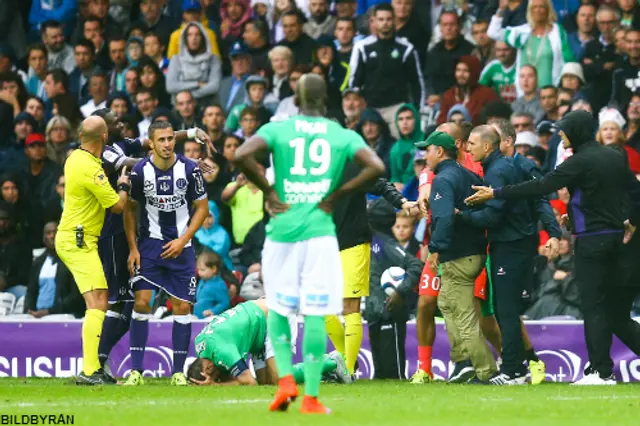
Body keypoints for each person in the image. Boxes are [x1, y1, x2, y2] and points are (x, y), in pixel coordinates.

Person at [233, 74, 385, 413]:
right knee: (317, 313)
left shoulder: (278, 129)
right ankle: (312, 397)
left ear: (297, 101)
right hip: (319, 232)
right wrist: (340, 192)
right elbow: (376, 166)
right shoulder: (341, 134)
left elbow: (242, 154)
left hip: (282, 230)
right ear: (325, 99)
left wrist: (269, 191)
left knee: (281, 308)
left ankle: (286, 382)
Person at [466, 111, 640, 385]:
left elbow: (542, 186)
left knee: (593, 306)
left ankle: (601, 371)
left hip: (592, 242)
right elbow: (632, 191)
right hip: (622, 242)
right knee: (617, 314)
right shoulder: (616, 156)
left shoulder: (578, 161)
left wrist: (496, 193)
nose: (560, 133)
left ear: (577, 132)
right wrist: (633, 220)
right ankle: (600, 369)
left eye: (564, 129)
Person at [123, 120, 209, 387]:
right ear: (151, 142)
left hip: (181, 249)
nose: (167, 144)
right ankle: (136, 371)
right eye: (161, 140)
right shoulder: (139, 172)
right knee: (142, 302)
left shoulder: (190, 169)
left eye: (171, 139)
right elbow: (130, 210)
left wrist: (183, 240)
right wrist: (133, 248)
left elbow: (202, 208)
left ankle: (178, 372)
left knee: (182, 306)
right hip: (150, 247)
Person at [459, 125, 539, 385]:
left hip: (511, 245)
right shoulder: (500, 167)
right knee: (506, 309)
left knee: (506, 309)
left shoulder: (496, 171)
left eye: (471, 143)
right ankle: (517, 368)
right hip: (515, 243)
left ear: (486, 146)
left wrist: (463, 217)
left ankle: (514, 371)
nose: (467, 147)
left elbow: (493, 216)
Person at [55, 115, 130, 385]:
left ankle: (92, 369)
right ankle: (90, 371)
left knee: (99, 298)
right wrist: (123, 185)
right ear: (104, 138)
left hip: (76, 238)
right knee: (98, 300)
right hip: (78, 240)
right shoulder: (90, 168)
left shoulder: (75, 158)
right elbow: (118, 206)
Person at [422, 130, 497, 384]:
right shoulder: (469, 174)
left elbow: (443, 217)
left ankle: (485, 371)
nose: (425, 156)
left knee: (463, 314)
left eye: (428, 150)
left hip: (457, 255)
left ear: (439, 152)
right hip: (474, 251)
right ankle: (463, 362)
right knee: (446, 304)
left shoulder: (443, 179)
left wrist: (435, 247)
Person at [187, 299, 351, 386]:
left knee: (280, 378)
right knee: (267, 383)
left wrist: (216, 386)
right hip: (257, 328)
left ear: (208, 368)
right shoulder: (201, 344)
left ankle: (332, 362)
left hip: (274, 316)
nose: (218, 378)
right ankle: (322, 372)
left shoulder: (221, 351)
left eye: (214, 378)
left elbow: (248, 382)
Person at [364, 198, 422, 379]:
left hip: (390, 312)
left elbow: (416, 266)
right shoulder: (371, 240)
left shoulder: (386, 245)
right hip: (374, 312)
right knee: (380, 374)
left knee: (393, 373)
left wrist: (400, 291)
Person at [348, 3, 424, 139]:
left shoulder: (406, 49)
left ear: (394, 20)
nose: (385, 23)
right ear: (374, 21)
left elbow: (416, 82)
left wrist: (417, 109)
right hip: (370, 108)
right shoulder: (361, 48)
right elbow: (354, 82)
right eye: (381, 19)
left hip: (397, 108)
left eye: (388, 19)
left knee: (402, 145)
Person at [488, 0, 574, 93]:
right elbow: (493, 32)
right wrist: (501, 9)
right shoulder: (522, 32)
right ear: (530, 10)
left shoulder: (557, 31)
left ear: (548, 9)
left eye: (542, 7)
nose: (538, 10)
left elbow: (568, 60)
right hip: (524, 93)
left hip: (550, 93)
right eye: (535, 7)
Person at [25, 221, 84, 318]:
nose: (52, 236)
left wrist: (49, 311)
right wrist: (28, 310)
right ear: (44, 238)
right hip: (37, 315)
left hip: (63, 315)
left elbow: (76, 296)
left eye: (55, 232)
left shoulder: (71, 261)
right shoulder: (38, 263)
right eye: (48, 233)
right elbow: (30, 291)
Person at [166, 22, 223, 106]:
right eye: (189, 35)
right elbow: (171, 86)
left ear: (203, 37)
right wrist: (197, 84)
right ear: (185, 38)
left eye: (197, 35)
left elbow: (214, 86)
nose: (194, 38)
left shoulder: (213, 59)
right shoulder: (176, 59)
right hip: (181, 108)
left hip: (207, 106)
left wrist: (189, 97)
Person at [437, 55, 499, 125]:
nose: (461, 74)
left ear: (474, 73)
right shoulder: (449, 95)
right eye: (458, 70)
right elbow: (441, 121)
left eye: (466, 71)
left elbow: (494, 121)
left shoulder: (487, 94)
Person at [193, 250, 230, 319]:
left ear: (214, 269)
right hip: (198, 317)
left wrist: (213, 311)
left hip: (212, 320)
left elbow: (224, 303)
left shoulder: (219, 285)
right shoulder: (202, 281)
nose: (199, 273)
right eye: (198, 270)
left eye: (203, 270)